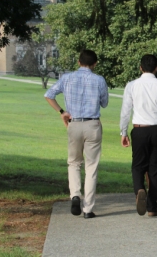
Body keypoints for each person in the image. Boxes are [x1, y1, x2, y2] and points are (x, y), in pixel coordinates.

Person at [44, 50, 108, 219]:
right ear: (94, 64)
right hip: (92, 124)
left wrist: (62, 111)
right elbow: (105, 103)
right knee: (91, 166)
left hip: (74, 123)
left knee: (73, 162)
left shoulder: (66, 78)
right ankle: (88, 209)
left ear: (79, 62)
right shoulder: (99, 80)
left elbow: (48, 95)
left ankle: (74, 195)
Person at [120, 54, 157, 216]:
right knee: (155, 169)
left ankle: (139, 189)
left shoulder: (131, 85)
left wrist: (123, 132)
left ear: (140, 67)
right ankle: (152, 207)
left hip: (139, 129)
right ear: (156, 68)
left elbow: (126, 111)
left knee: (138, 166)